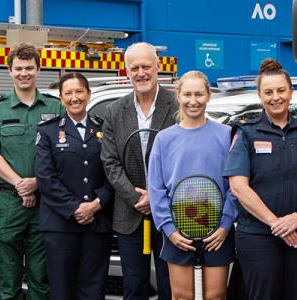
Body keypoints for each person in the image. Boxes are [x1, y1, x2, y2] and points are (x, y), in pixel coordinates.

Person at [223, 59, 297, 300]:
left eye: (281, 90)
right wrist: (276, 224)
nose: (275, 97)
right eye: (268, 92)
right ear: (260, 96)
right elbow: (238, 187)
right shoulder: (246, 132)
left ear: (291, 92)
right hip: (258, 236)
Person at [0, 42, 63, 300]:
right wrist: (20, 184)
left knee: (42, 276)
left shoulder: (55, 108)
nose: (24, 73)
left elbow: (63, 153)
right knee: (7, 276)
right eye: (18, 68)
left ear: (38, 69)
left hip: (45, 202)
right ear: (9, 70)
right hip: (8, 202)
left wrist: (37, 182)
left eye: (29, 67)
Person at [148, 71, 236, 300]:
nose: (193, 100)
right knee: (182, 296)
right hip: (178, 229)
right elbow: (156, 190)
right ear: (178, 95)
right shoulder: (164, 139)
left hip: (217, 231)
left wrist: (225, 226)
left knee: (216, 295)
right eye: (187, 94)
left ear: (209, 96)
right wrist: (170, 230)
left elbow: (235, 186)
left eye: (199, 94)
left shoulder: (226, 135)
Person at [100, 42, 176, 300]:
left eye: (146, 66)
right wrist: (136, 197)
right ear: (126, 71)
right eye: (135, 68)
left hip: (170, 214)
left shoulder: (177, 104)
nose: (141, 73)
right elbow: (110, 162)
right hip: (129, 215)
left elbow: (184, 159)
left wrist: (157, 197)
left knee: (170, 286)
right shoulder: (114, 111)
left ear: (157, 67)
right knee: (134, 287)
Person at [35, 72, 114, 300]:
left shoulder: (104, 129)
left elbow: (113, 172)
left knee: (93, 289)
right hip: (60, 225)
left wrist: (96, 204)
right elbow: (45, 177)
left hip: (97, 224)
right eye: (68, 93)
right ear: (61, 98)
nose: (74, 97)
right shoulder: (48, 131)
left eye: (79, 91)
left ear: (89, 95)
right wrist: (75, 208)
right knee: (61, 290)